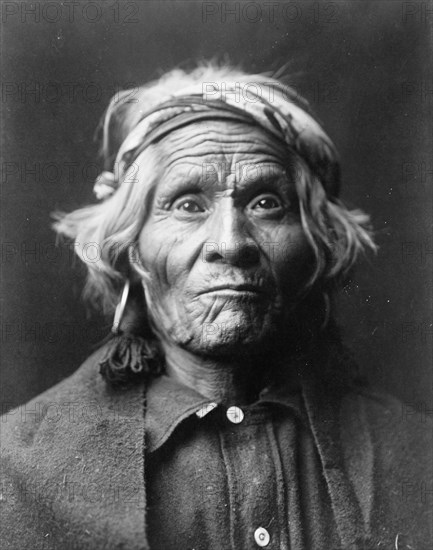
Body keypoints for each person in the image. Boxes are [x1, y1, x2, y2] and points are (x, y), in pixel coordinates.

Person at [1, 64, 431, 550]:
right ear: (130, 247)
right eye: (187, 204)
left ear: (318, 245)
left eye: (267, 202)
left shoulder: (416, 456)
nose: (230, 243)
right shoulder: (19, 468)